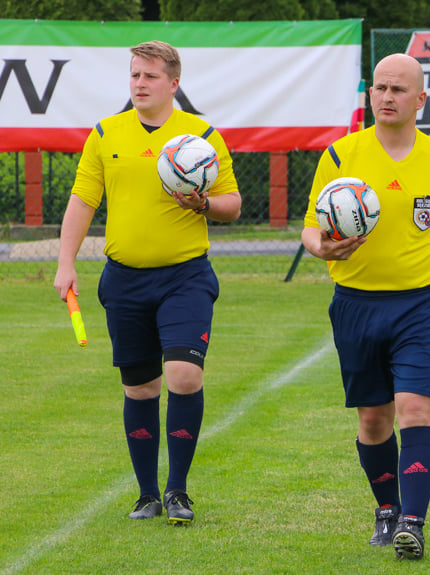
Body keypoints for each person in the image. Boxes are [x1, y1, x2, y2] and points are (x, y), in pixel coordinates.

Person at [301, 53, 430, 561]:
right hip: (356, 305)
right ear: (370, 96)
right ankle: (387, 510)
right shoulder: (341, 157)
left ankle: (413, 521)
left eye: (399, 90)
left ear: (420, 100)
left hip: (423, 306)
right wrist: (321, 247)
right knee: (373, 420)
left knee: (415, 410)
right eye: (380, 88)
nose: (387, 97)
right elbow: (308, 226)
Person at [53, 40, 242, 524]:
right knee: (140, 388)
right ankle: (147, 495)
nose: (139, 83)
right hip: (124, 281)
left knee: (184, 375)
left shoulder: (200, 137)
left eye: (150, 76)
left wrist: (202, 203)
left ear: (173, 83)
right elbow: (82, 201)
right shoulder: (105, 133)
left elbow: (232, 204)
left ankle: (178, 491)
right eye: (135, 75)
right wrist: (65, 262)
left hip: (185, 277)